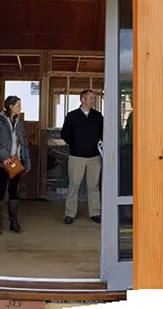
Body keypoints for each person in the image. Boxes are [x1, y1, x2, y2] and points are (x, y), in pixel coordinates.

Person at [0, 95, 32, 235]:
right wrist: (4, 156)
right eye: (18, 105)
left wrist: (26, 162)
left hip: (16, 164)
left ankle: (14, 223)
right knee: (1, 192)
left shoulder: (19, 122)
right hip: (1, 164)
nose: (20, 107)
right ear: (10, 106)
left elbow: (23, 143)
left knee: (14, 192)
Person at [61, 90, 103, 224]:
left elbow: (104, 133)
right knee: (74, 185)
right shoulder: (72, 116)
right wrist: (75, 145)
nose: (93, 100)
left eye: (93, 98)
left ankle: (95, 213)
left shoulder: (98, 116)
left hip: (94, 158)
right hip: (76, 157)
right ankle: (70, 214)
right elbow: (65, 134)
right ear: (83, 100)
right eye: (91, 98)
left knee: (94, 186)